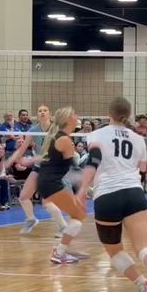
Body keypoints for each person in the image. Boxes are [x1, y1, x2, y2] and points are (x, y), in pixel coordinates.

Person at [75, 97, 147, 292]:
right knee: (143, 247)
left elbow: (94, 160)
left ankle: (143, 284)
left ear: (109, 114)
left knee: (114, 250)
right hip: (134, 194)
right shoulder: (138, 139)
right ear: (129, 115)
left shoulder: (96, 134)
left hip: (107, 196)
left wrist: (82, 190)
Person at [37, 108, 90, 265]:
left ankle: (64, 249)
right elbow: (73, 169)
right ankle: (59, 253)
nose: (77, 116)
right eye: (74, 114)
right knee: (79, 215)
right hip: (51, 182)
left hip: (49, 181)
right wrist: (86, 185)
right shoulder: (65, 140)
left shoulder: (60, 137)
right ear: (68, 120)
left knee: (78, 214)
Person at [5, 105, 69, 235]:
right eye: (40, 111)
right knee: (23, 197)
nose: (42, 112)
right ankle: (31, 219)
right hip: (40, 166)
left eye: (45, 110)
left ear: (49, 114)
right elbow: (22, 148)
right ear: (37, 114)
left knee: (47, 201)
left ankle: (63, 227)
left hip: (52, 167)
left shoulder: (56, 129)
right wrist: (11, 159)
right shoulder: (33, 129)